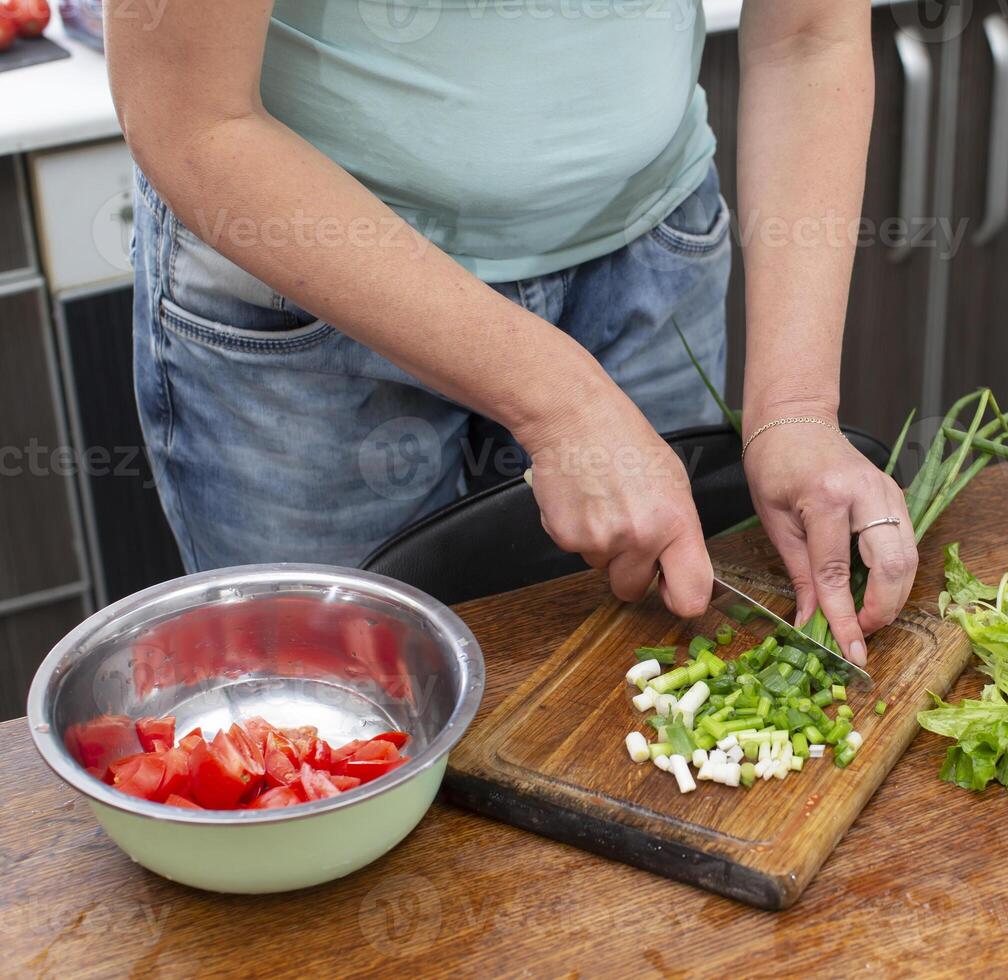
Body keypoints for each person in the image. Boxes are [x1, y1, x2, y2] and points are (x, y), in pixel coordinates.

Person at [106, 0, 918, 666]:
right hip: (303, 306)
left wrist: (797, 407)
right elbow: (191, 120)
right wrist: (562, 403)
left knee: (644, 695)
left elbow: (809, 36)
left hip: (646, 256)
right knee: (333, 722)